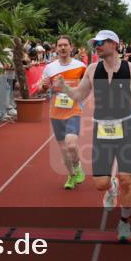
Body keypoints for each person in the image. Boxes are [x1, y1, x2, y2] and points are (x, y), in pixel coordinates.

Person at [61, 29, 131, 241]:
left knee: (126, 179)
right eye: (95, 43)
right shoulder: (92, 69)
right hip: (101, 129)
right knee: (101, 184)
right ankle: (111, 187)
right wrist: (63, 88)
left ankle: (124, 223)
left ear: (113, 44)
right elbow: (79, 95)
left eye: (100, 43)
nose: (96, 46)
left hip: (126, 128)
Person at [39, 35, 87, 190]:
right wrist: (44, 86)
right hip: (56, 111)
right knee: (63, 148)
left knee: (71, 144)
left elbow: (87, 87)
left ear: (71, 47)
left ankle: (77, 167)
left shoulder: (81, 66)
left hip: (74, 109)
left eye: (66, 45)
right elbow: (41, 88)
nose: (63, 48)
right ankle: (71, 176)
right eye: (60, 45)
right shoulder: (50, 68)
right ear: (56, 48)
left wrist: (80, 97)